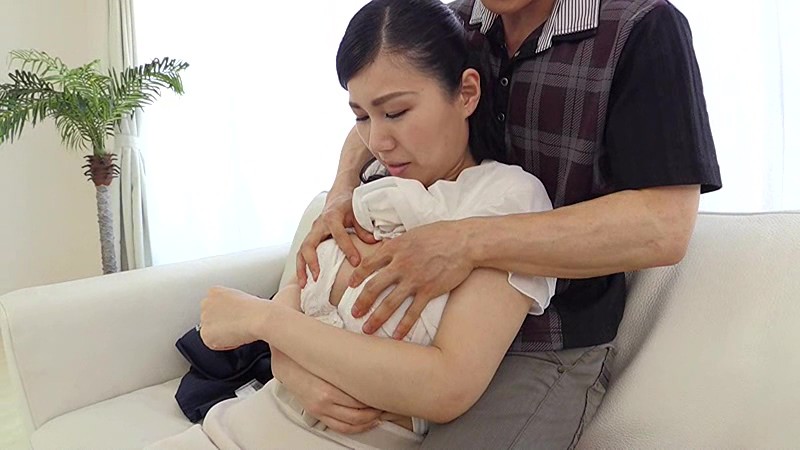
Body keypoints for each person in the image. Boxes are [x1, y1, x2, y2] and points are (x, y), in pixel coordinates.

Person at [295, 0, 722, 448]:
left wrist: (466, 242)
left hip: (545, 343)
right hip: (430, 329)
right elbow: (384, 105)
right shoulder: (459, 20)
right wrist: (342, 188)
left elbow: (664, 226)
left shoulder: (640, 27)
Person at [146, 1, 561, 448]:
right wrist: (290, 367)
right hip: (234, 425)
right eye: (361, 116)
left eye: (395, 112)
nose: (377, 141)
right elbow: (296, 289)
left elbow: (446, 385)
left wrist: (263, 322)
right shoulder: (368, 187)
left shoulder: (504, 201)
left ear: (466, 93)